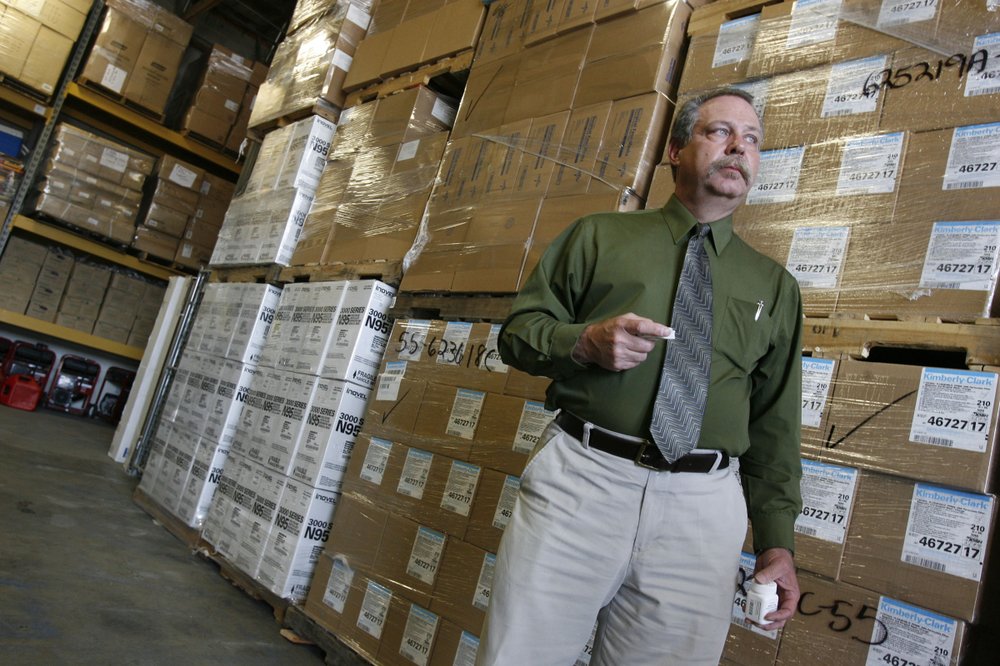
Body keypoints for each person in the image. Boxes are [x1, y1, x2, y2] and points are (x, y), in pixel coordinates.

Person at [477, 88, 803, 665]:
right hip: (583, 482)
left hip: (702, 514)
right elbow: (517, 335)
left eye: (751, 140)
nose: (738, 149)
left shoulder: (774, 287)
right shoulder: (598, 237)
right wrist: (581, 342)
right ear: (676, 150)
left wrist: (777, 542)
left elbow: (775, 422)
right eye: (719, 132)